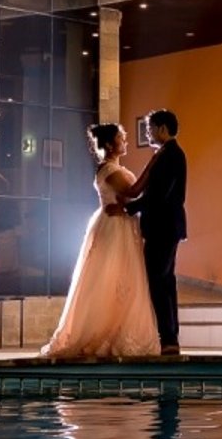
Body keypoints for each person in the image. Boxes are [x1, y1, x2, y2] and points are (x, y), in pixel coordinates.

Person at [40, 122, 162, 360]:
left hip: (122, 224)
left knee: (121, 280)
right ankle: (102, 333)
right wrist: (153, 163)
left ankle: (117, 331)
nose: (125, 141)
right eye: (121, 138)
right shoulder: (108, 170)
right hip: (113, 227)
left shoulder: (113, 168)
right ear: (109, 144)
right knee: (110, 279)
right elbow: (133, 192)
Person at [110, 108, 187, 355]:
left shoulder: (171, 155)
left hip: (163, 227)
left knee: (158, 281)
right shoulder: (165, 154)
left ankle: (168, 338)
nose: (147, 132)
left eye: (149, 128)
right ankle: (170, 337)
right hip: (165, 226)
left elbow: (157, 195)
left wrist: (128, 207)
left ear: (162, 129)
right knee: (164, 281)